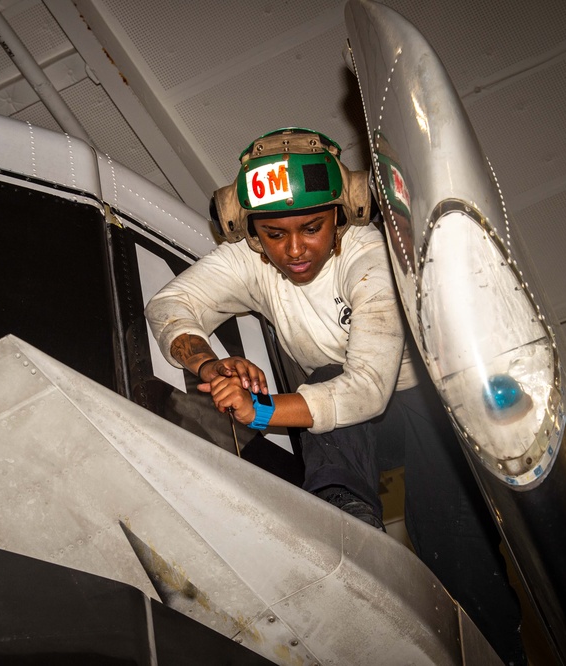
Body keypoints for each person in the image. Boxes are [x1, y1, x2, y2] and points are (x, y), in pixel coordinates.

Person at [145, 128, 526, 664]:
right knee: (324, 381)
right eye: (274, 234)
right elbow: (170, 305)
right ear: (251, 231)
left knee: (460, 545)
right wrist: (209, 362)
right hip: (341, 428)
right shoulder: (250, 259)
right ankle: (345, 527)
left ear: (342, 214)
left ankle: (503, 654)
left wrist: (260, 409)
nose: (294, 250)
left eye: (312, 227)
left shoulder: (371, 260)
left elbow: (368, 389)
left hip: (425, 414)